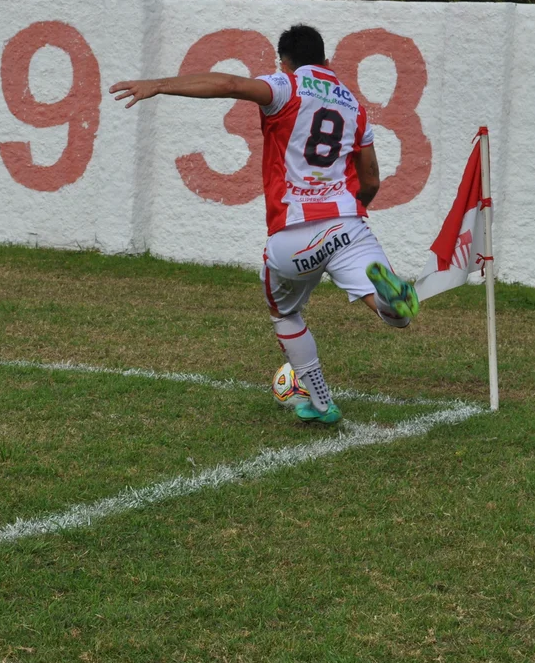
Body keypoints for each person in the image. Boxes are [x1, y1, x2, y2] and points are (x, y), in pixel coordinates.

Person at [110, 24, 418, 425]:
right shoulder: (354, 106)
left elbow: (229, 83)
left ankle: (321, 402)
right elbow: (372, 179)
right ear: (326, 62)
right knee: (393, 315)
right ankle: (393, 305)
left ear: (283, 62)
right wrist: (354, 212)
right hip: (347, 225)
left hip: (294, 234)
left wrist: (159, 84)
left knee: (285, 313)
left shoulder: (286, 86)